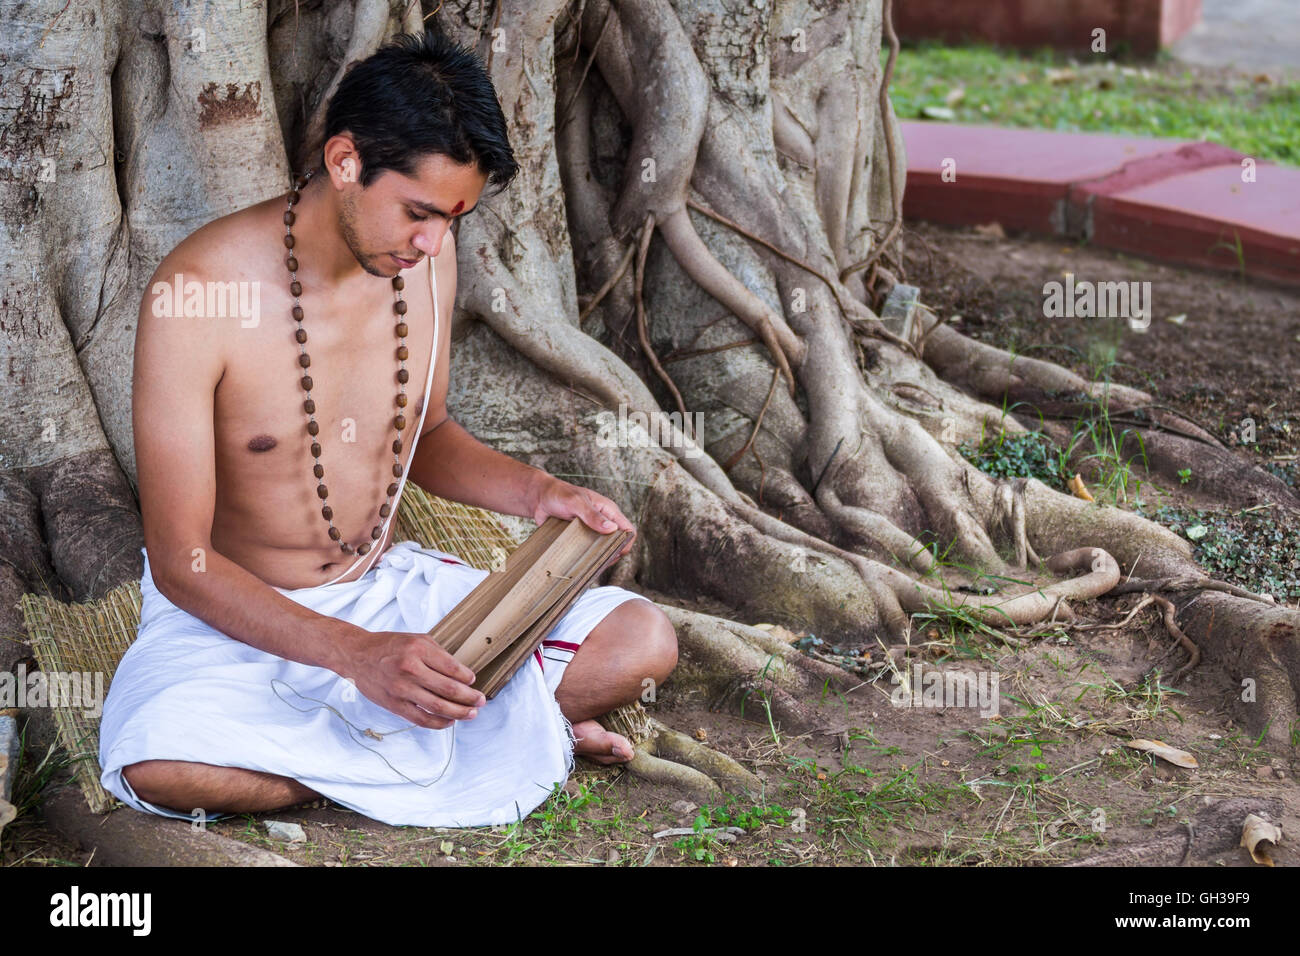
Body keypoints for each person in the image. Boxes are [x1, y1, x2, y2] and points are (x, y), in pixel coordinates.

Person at [98, 27, 677, 828]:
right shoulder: (198, 293)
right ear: (344, 162)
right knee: (160, 765)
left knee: (641, 641)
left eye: (453, 220)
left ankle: (372, 743)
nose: (434, 242)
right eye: (418, 213)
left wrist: (542, 494)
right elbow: (181, 564)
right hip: (238, 622)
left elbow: (428, 435)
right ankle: (474, 739)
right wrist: (355, 658)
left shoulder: (424, 259)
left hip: (390, 598)